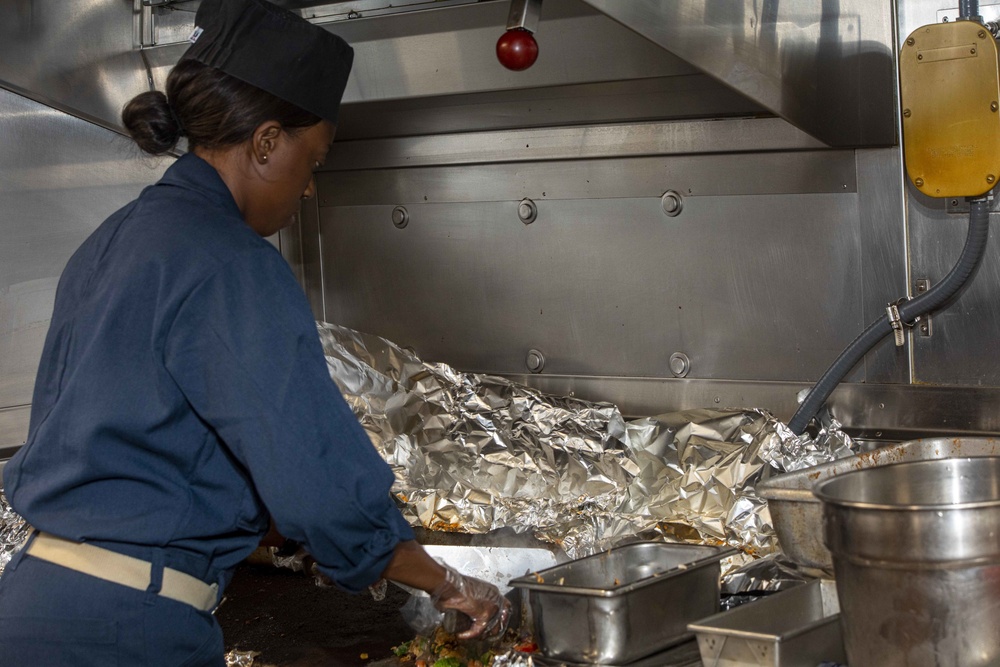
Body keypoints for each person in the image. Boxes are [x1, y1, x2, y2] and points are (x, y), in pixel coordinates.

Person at [0, 0, 509, 664]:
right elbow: (318, 478)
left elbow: (153, 442)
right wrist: (450, 583)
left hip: (34, 605)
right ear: (267, 142)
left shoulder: (115, 240)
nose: (305, 189)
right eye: (313, 160)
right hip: (127, 630)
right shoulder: (232, 262)